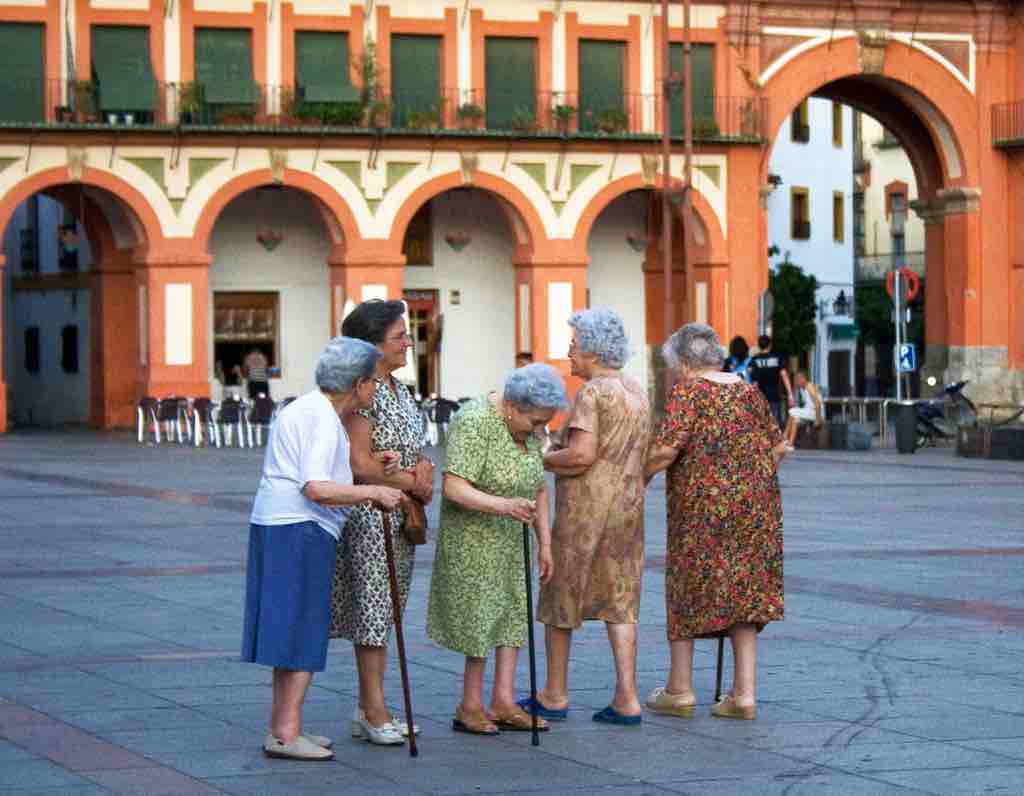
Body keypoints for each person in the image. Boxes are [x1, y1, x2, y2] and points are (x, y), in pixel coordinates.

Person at [241, 337, 403, 761]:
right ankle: (285, 732)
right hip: (299, 528)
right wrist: (373, 492)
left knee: (292, 628)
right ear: (359, 383)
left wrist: (371, 467)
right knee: (302, 628)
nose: (374, 390)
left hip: (282, 525)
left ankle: (284, 726)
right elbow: (315, 487)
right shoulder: (321, 418)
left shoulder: (310, 409)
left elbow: (320, 472)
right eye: (372, 381)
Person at [645, 323, 786, 721]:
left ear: (684, 362)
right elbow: (778, 446)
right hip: (756, 511)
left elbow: (666, 449)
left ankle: (681, 688)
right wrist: (745, 480)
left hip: (701, 513)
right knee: (745, 595)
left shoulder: (689, 391)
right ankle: (743, 695)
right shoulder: (747, 389)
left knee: (687, 586)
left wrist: (636, 481)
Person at [524, 308, 650, 726]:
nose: (569, 352)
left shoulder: (594, 393)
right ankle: (627, 697)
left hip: (586, 512)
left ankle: (554, 694)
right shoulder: (636, 390)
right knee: (621, 600)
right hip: (628, 509)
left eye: (575, 345)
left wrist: (543, 458)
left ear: (594, 349)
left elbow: (581, 455)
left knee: (563, 594)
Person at [427, 363, 567, 736]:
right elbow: (455, 486)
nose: (539, 432)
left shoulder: (532, 428)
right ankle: (469, 705)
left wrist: (545, 544)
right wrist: (503, 505)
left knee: (513, 615)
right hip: (475, 536)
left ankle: (504, 701)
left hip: (512, 534)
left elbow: (538, 486)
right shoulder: (474, 421)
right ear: (511, 406)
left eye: (544, 424)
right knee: (480, 619)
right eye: (535, 422)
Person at [329, 300, 435, 746]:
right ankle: (373, 711)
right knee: (373, 613)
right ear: (372, 345)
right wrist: (415, 479)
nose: (409, 341)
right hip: (373, 515)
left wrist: (423, 473)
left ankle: (371, 705)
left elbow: (409, 446)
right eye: (399, 336)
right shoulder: (362, 392)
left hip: (402, 511)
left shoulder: (399, 389)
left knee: (387, 611)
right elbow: (360, 463)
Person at [751, 335, 794, 428]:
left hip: (760, 396)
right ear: (770, 345)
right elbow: (784, 376)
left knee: (762, 424)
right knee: (775, 423)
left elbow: (754, 383)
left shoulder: (754, 360)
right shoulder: (777, 358)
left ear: (758, 345)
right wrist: (790, 395)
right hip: (774, 396)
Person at [784, 370, 824, 451]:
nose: (797, 381)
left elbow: (817, 403)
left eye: (798, 379)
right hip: (809, 411)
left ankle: (784, 437)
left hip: (815, 413)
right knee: (795, 419)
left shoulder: (809, 386)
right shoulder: (802, 388)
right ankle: (790, 444)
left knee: (792, 411)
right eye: (796, 379)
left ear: (803, 379)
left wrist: (818, 419)